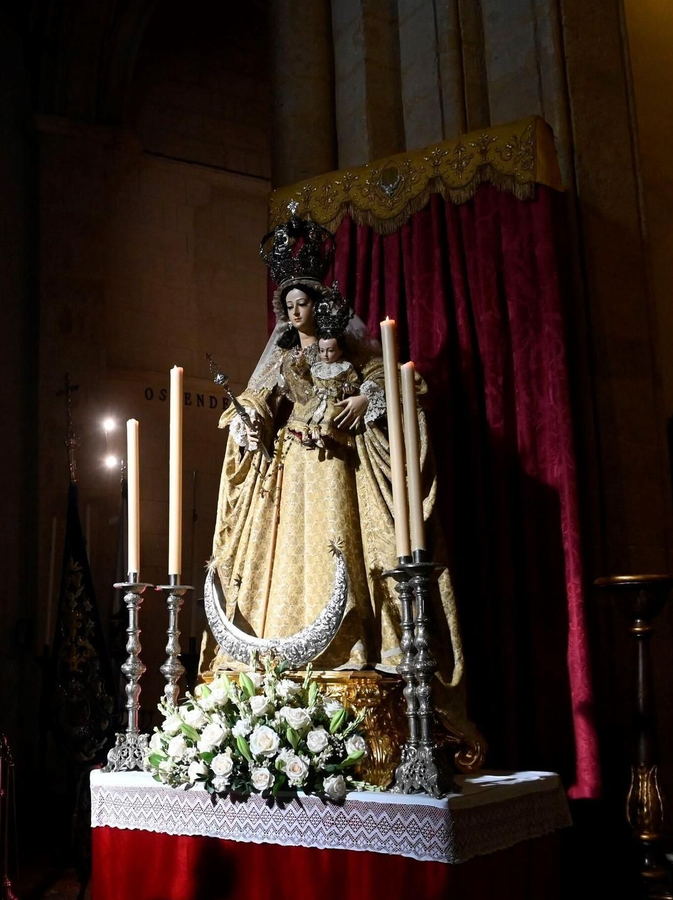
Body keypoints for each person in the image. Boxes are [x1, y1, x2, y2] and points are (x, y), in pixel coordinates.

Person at [203, 212, 484, 767]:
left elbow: (395, 380)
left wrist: (364, 401)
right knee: (281, 558)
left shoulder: (347, 350)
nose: (294, 313)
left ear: (318, 304)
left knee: (337, 545)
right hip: (287, 471)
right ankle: (278, 657)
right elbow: (262, 399)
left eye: (301, 304)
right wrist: (252, 419)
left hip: (334, 466)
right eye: (287, 307)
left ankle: (351, 647)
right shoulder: (283, 358)